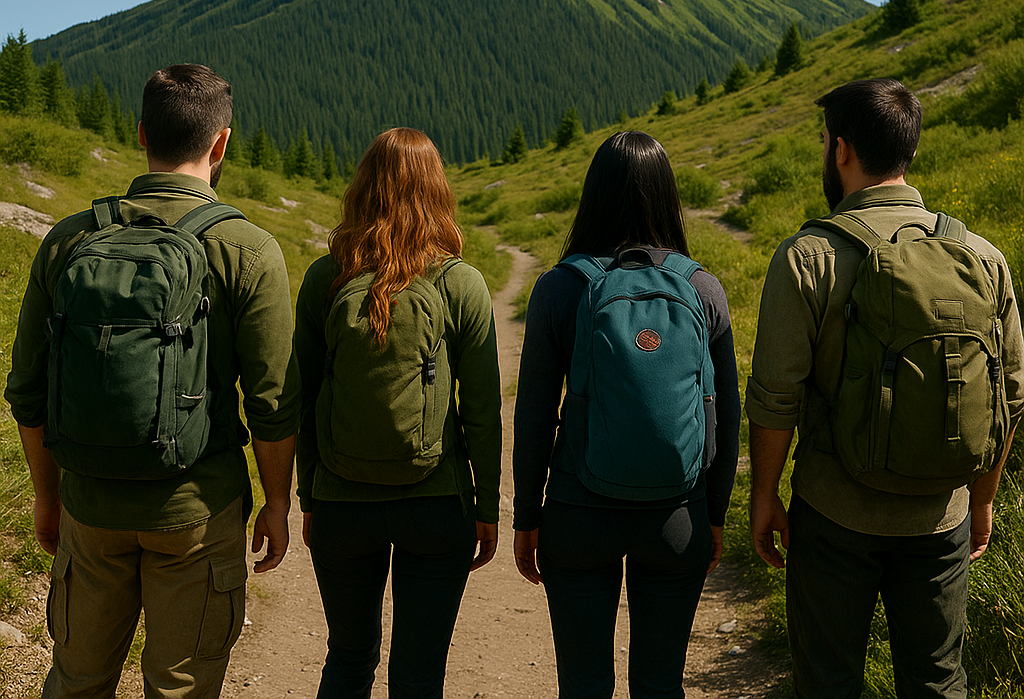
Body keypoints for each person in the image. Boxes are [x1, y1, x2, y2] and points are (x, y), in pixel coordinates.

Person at [5, 63, 299, 698]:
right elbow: (273, 404)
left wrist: (49, 497)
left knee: (77, 681)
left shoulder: (68, 239)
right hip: (197, 512)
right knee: (180, 689)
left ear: (141, 134)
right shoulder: (248, 250)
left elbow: (27, 392)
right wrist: (276, 505)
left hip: (90, 505)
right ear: (221, 143)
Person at [746, 77, 1024, 698]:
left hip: (833, 510)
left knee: (828, 682)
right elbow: (1009, 395)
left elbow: (774, 396)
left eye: (824, 142)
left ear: (841, 151)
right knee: (937, 682)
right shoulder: (983, 256)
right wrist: (981, 499)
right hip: (940, 514)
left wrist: (765, 495)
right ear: (909, 151)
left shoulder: (807, 256)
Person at [512, 130, 741, 699]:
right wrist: (714, 515)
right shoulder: (702, 288)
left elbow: (535, 413)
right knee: (660, 685)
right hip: (676, 516)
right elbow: (727, 412)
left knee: (584, 686)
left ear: (594, 195)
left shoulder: (561, 288)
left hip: (576, 512)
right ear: (668, 196)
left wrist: (526, 515)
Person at [293, 126, 501, 698]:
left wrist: (310, 497)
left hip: (341, 503)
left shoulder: (324, 277)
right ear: (438, 192)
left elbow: (304, 399)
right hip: (437, 506)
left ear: (362, 187)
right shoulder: (460, 283)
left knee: (349, 658)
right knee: (418, 674)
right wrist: (486, 506)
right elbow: (481, 411)